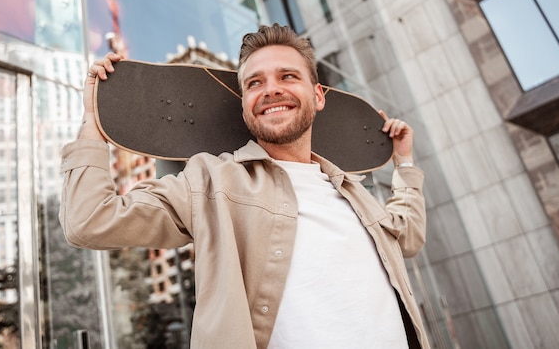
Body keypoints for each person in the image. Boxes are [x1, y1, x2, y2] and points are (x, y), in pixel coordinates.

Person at [60, 23, 429, 348]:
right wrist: (94, 123)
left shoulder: (353, 193)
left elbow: (407, 236)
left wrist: (405, 163)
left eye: (287, 76)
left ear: (318, 97)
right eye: (255, 83)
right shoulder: (212, 182)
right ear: (244, 105)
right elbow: (89, 220)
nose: (271, 90)